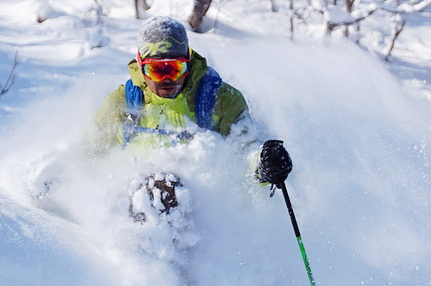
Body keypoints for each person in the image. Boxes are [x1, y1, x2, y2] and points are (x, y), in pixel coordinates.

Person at [90, 16, 291, 197]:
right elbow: (88, 157)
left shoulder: (221, 100)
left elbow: (247, 147)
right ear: (141, 66)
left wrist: (264, 164)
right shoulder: (122, 104)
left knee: (166, 186)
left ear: (188, 63)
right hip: (134, 203)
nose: (168, 80)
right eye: (157, 70)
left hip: (208, 207)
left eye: (176, 69)